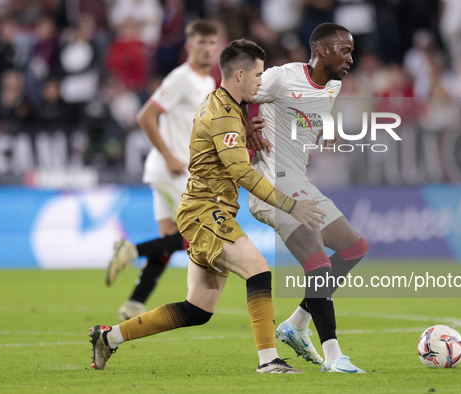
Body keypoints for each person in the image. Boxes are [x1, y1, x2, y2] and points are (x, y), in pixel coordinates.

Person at [89, 38, 326, 374]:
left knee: (197, 309)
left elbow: (227, 149)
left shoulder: (225, 104)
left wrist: (247, 135)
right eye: (258, 75)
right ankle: (269, 360)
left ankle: (108, 338)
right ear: (240, 74)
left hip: (204, 209)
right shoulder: (223, 114)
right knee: (258, 270)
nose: (261, 82)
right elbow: (240, 171)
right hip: (205, 211)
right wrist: (291, 206)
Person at [247, 23, 369, 373]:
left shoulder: (333, 86)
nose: (350, 58)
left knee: (353, 248)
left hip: (299, 182)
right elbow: (232, 94)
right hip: (271, 187)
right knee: (318, 264)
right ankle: (334, 357)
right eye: (345, 50)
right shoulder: (282, 77)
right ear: (324, 50)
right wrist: (245, 126)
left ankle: (297, 324)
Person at [105, 20, 218, 321]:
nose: (207, 49)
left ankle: (134, 303)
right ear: (189, 47)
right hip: (172, 168)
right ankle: (130, 250)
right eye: (201, 43)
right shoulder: (181, 78)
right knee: (198, 235)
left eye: (212, 43)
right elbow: (146, 116)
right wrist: (169, 156)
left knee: (169, 238)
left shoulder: (208, 83)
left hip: (177, 168)